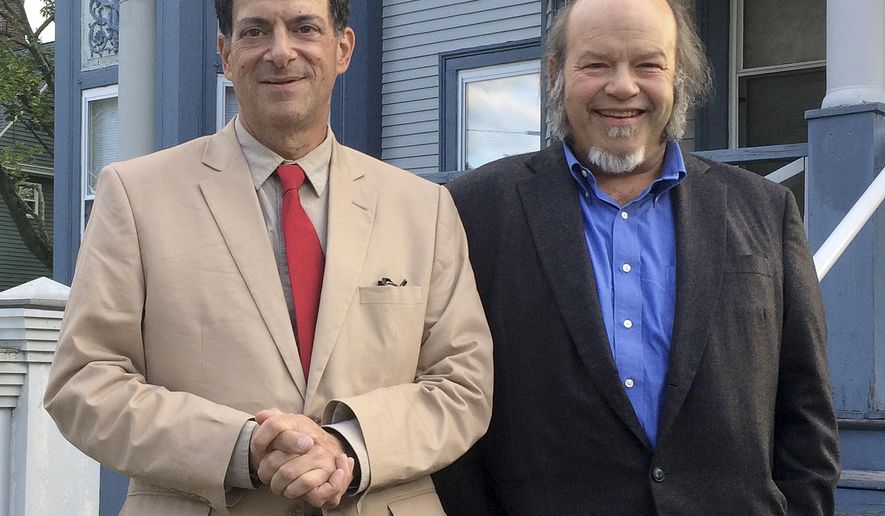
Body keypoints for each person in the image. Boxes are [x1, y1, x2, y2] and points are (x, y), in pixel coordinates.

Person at [44, 0, 492, 514]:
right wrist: (239, 448)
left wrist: (348, 447)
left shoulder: (424, 209)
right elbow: (85, 382)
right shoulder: (136, 195)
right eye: (255, 32)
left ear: (342, 48)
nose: (281, 52)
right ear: (226, 54)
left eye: (304, 28)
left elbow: (463, 384)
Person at [433, 0, 839, 514]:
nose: (623, 86)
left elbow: (806, 413)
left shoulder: (765, 208)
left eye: (648, 64)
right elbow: (451, 404)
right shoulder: (474, 210)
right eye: (596, 63)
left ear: (679, 76)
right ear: (556, 73)